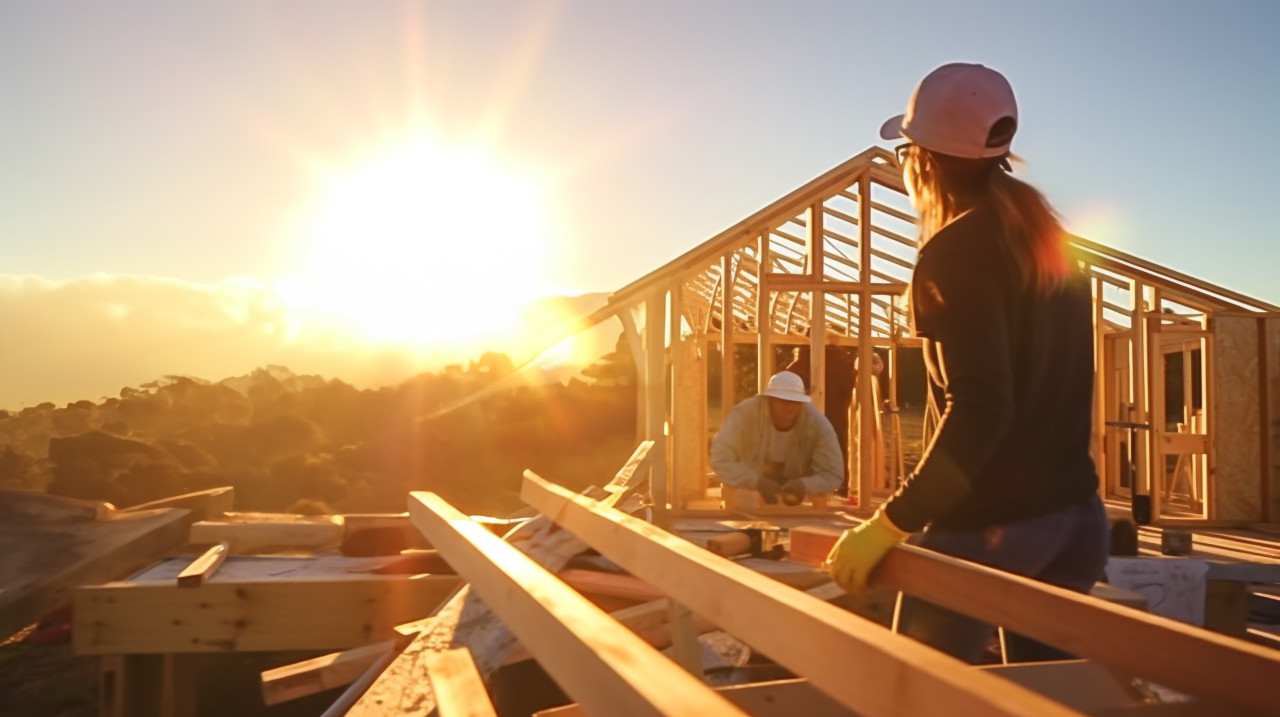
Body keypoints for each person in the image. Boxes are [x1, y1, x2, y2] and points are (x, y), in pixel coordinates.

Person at [826, 63, 1108, 663]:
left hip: (995, 530)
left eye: (905, 150)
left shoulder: (954, 255)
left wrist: (889, 524)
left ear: (921, 159)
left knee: (919, 691)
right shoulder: (1048, 240)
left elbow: (980, 406)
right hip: (1076, 522)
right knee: (1046, 698)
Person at [710, 370, 843, 510]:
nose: (790, 407)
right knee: (738, 500)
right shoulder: (744, 414)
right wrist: (755, 482)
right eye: (784, 401)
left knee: (816, 502)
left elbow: (833, 474)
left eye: (796, 402)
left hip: (796, 490)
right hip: (749, 482)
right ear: (769, 399)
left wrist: (804, 485)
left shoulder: (817, 425)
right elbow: (720, 459)